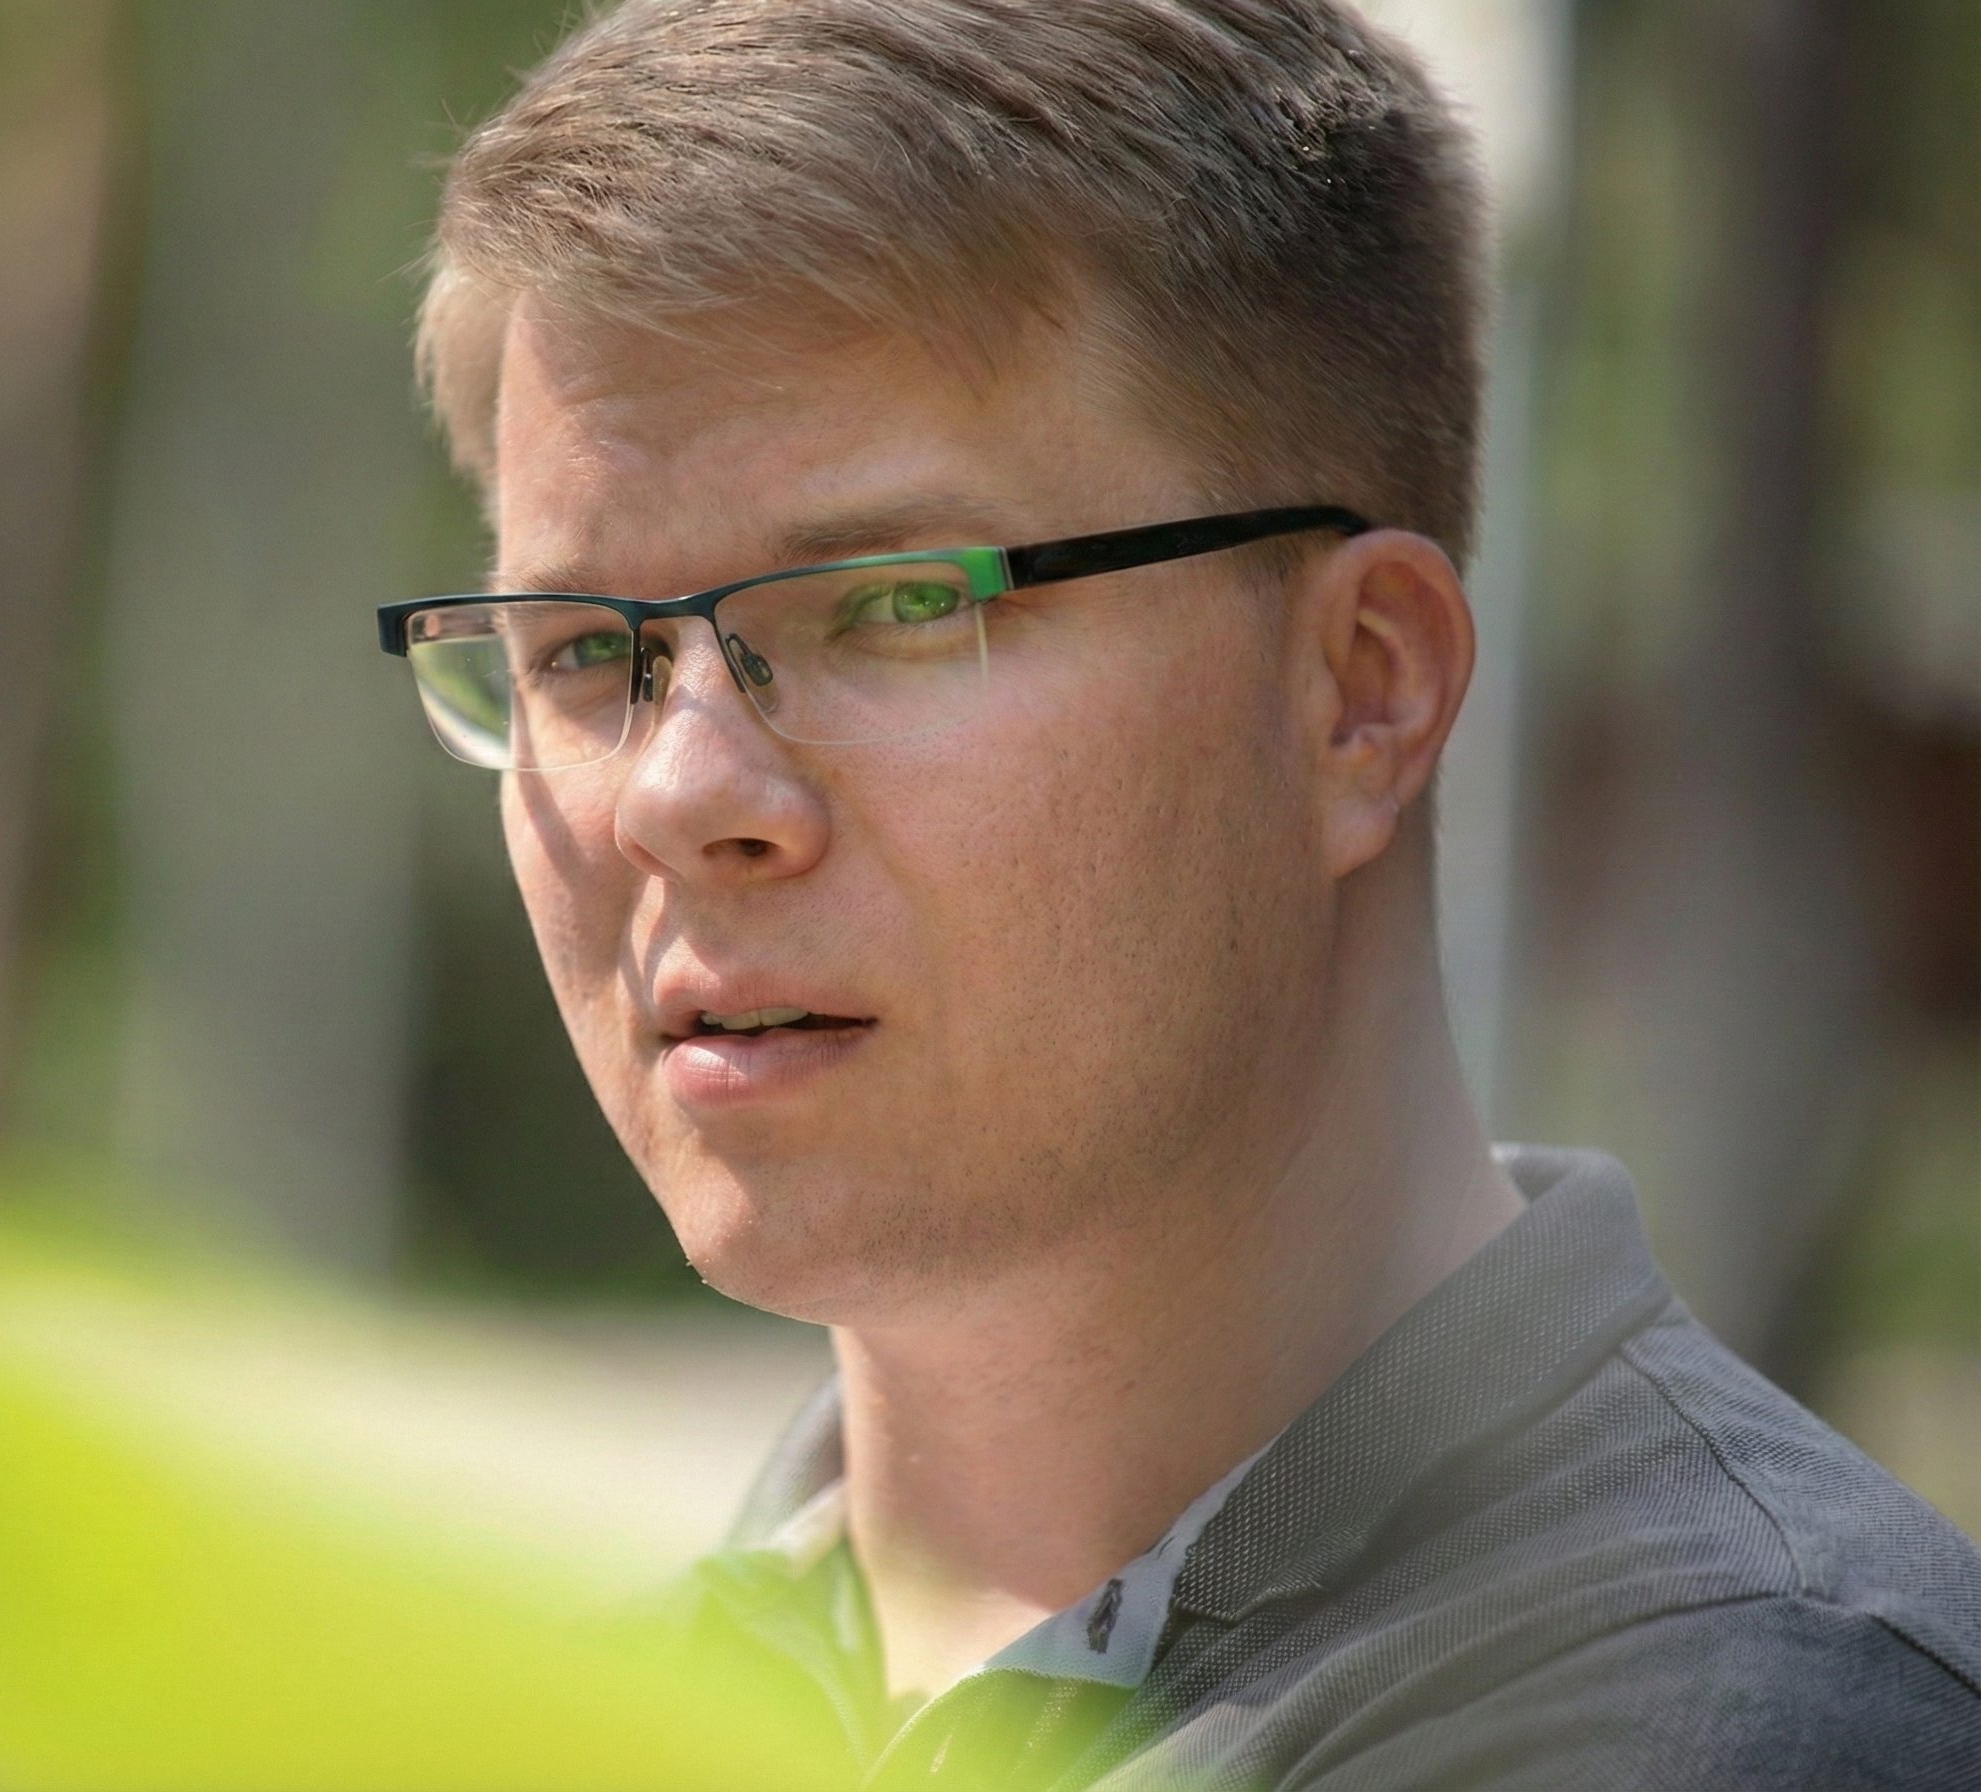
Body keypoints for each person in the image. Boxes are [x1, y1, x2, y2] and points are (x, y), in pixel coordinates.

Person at [375, 1, 1981, 1784]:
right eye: (586, 653)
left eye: (897, 605)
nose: (678, 797)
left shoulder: (1741, 1722)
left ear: (1362, 690)